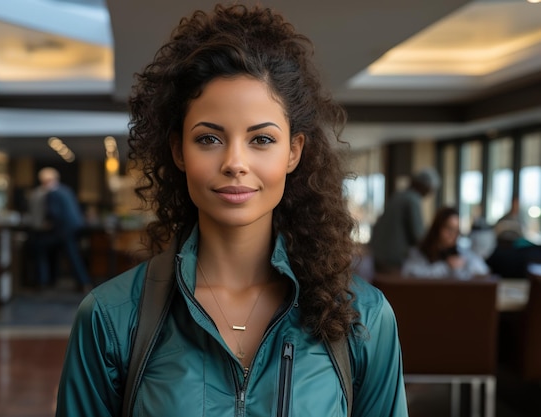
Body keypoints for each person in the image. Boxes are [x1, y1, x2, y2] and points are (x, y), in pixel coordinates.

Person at [56, 4, 408, 416]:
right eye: (209, 139)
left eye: (261, 140)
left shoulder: (363, 318)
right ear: (178, 151)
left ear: (293, 152)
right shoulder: (110, 319)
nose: (235, 163)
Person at [369, 167, 441, 273]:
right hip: (393, 260)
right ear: (424, 186)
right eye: (429, 190)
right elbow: (418, 236)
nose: (428, 194)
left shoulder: (398, 195)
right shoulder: (413, 199)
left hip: (378, 256)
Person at [32, 167, 92, 292]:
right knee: (72, 255)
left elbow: (54, 213)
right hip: (74, 228)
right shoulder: (66, 190)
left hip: (62, 230)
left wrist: (47, 223)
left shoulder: (52, 193)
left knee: (40, 247)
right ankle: (83, 282)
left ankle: (42, 281)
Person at [402, 207, 490, 280]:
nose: (453, 235)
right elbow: (409, 273)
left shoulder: (461, 252)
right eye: (449, 228)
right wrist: (445, 267)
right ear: (437, 228)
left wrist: (464, 268)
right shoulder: (420, 251)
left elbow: (482, 271)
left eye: (456, 230)